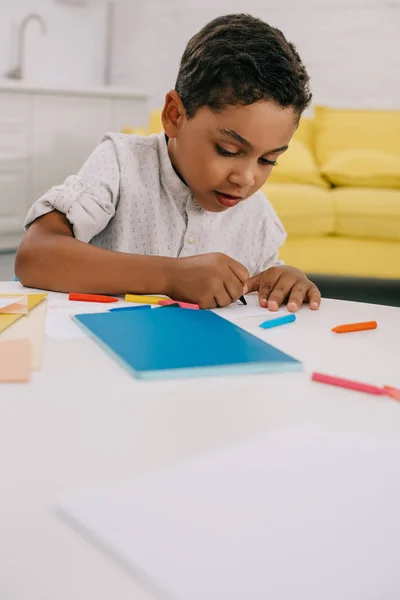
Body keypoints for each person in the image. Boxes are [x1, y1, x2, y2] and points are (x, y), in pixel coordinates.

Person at [15, 13, 321, 311]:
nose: (246, 178)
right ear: (175, 116)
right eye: (227, 150)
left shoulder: (258, 219)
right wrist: (170, 276)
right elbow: (35, 256)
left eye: (269, 160)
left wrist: (285, 280)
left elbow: (261, 289)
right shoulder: (122, 163)